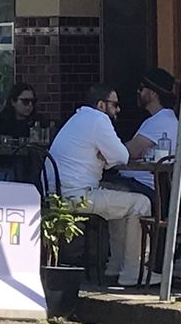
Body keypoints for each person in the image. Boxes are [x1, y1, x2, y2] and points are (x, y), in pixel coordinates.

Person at [47, 83, 151, 289]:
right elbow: (122, 155)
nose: (118, 110)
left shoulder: (77, 118)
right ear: (102, 105)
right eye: (115, 105)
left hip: (57, 194)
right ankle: (133, 271)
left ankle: (115, 267)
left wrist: (106, 157)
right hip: (77, 196)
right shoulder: (98, 120)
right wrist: (109, 157)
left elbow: (113, 155)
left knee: (121, 194)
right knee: (141, 202)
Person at [116, 68, 179, 205]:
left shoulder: (160, 121)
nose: (138, 92)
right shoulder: (164, 119)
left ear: (153, 93)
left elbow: (129, 152)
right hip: (144, 186)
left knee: (97, 189)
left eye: (141, 88)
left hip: (143, 187)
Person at [0, 82, 37, 181]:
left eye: (33, 102)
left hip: (29, 170)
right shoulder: (1, 122)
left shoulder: (37, 122)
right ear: (13, 102)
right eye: (25, 101)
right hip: (5, 169)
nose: (30, 105)